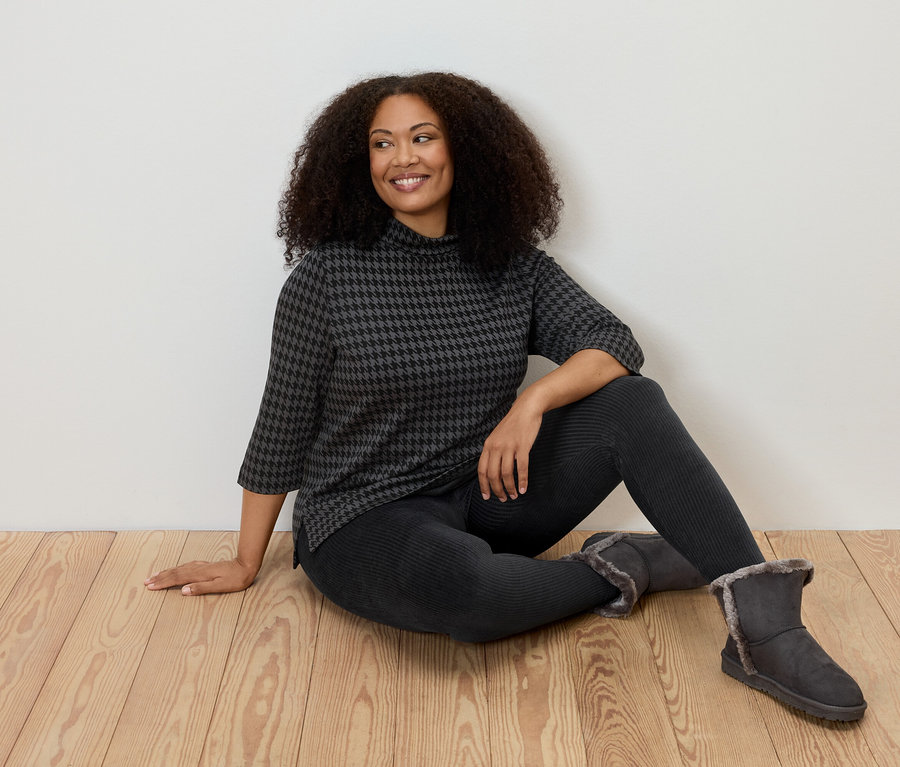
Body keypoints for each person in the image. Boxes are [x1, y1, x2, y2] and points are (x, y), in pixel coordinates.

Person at [144, 73, 865, 721]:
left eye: (423, 138)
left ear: (464, 151)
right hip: (363, 517)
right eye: (382, 143)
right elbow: (281, 425)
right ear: (358, 162)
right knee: (473, 596)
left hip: (487, 493)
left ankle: (767, 630)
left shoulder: (511, 265)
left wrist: (532, 403)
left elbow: (613, 342)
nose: (404, 158)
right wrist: (246, 558)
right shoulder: (325, 280)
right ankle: (628, 563)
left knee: (633, 404)